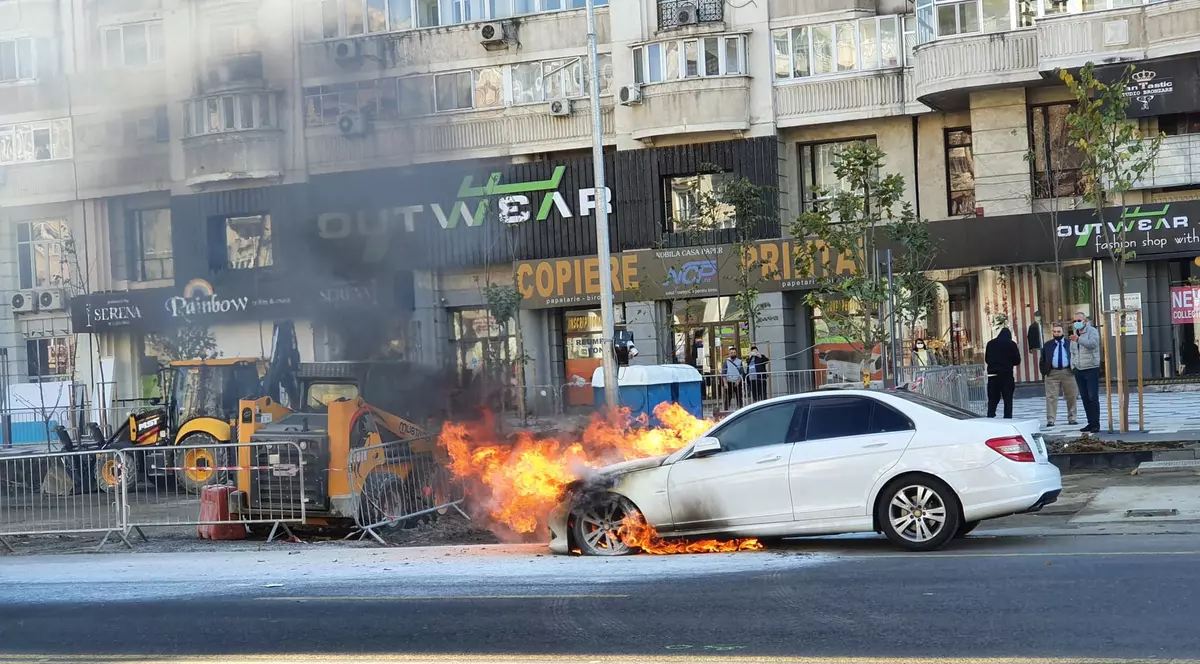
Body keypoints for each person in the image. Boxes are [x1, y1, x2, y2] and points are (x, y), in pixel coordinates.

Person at [1039, 323, 1079, 428]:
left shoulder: (1069, 343)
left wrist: (1075, 369)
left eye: (1058, 331)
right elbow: (1042, 359)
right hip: (1052, 373)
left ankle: (1072, 418)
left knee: (1072, 396)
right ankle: (1051, 420)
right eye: (1054, 331)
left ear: (1063, 332)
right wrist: (1045, 371)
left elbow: (1075, 355)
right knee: (1051, 397)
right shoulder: (1048, 345)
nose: (1056, 333)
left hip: (1068, 372)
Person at [1070, 312, 1102, 433]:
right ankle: (1090, 422)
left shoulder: (1092, 331)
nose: (1076, 323)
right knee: (1084, 397)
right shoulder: (1074, 333)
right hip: (1079, 369)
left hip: (1091, 367)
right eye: (1074, 321)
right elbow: (1072, 351)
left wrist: (1079, 339)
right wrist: (1073, 365)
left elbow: (1093, 344)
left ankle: (1095, 424)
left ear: (1085, 320)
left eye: (1079, 320)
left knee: (1092, 397)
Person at [985, 327, 1021, 419]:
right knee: (1008, 399)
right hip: (1006, 375)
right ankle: (1007, 417)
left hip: (993, 375)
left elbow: (987, 359)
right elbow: (1017, 360)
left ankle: (990, 416)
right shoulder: (1011, 344)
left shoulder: (990, 344)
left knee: (993, 399)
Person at [722, 346, 745, 411]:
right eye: (731, 353)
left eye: (734, 352)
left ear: (736, 353)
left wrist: (738, 381)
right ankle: (726, 410)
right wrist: (725, 383)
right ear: (729, 354)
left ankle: (740, 410)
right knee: (728, 397)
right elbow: (723, 373)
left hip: (737, 382)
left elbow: (741, 372)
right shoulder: (726, 361)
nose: (733, 354)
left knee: (739, 397)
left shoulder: (739, 361)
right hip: (729, 382)